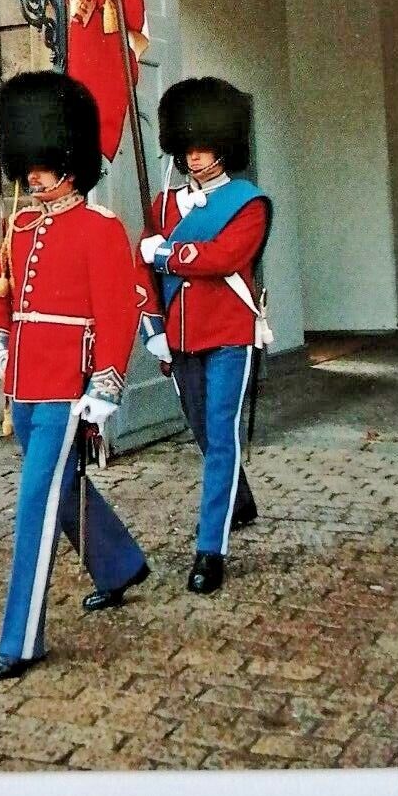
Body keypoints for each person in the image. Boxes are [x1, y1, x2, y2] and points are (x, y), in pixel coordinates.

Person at [0, 72, 149, 686]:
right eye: (30, 164)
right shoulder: (20, 226)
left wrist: (104, 382)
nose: (33, 175)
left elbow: (117, 309)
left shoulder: (101, 229)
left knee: (34, 504)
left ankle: (20, 639)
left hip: (67, 387)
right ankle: (120, 563)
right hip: (22, 382)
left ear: (70, 164)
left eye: (44, 164)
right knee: (59, 486)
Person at [135, 77, 272, 597]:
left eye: (205, 147)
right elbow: (141, 273)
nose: (195, 158)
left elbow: (223, 258)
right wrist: (153, 330)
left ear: (224, 148)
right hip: (180, 337)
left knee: (221, 434)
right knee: (206, 432)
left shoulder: (248, 203)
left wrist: (167, 253)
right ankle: (239, 500)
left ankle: (209, 549)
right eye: (188, 147)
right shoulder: (164, 205)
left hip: (229, 332)